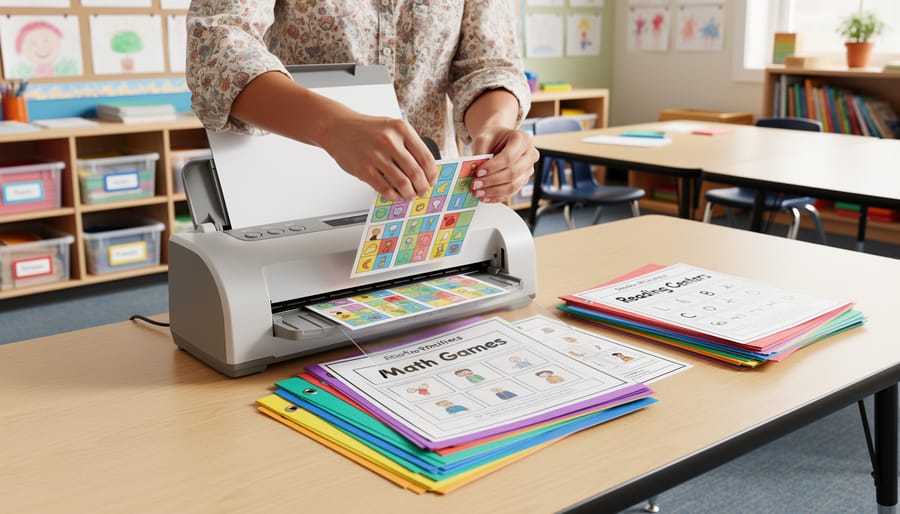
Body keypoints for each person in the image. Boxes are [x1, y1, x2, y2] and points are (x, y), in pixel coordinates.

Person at [186, 1, 538, 204]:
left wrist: (494, 126)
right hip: (291, 189)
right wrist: (333, 127)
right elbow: (218, 44)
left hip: (423, 199)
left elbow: (489, 64)